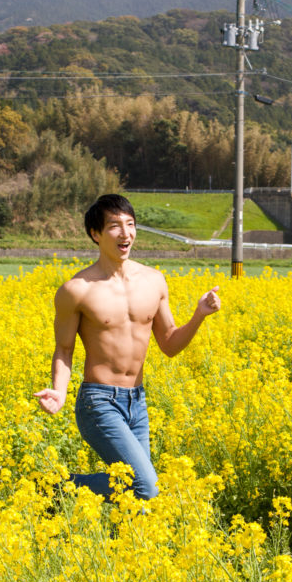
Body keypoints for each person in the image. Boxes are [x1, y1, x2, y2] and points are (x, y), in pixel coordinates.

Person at [34, 194, 220, 500]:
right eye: (114, 226)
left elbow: (170, 344)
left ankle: (109, 535)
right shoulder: (76, 290)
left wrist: (199, 315)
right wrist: (60, 390)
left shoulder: (154, 281)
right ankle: (55, 488)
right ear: (95, 234)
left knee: (134, 494)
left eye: (130, 224)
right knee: (145, 487)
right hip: (99, 402)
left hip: (138, 402)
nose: (126, 233)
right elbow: (64, 349)